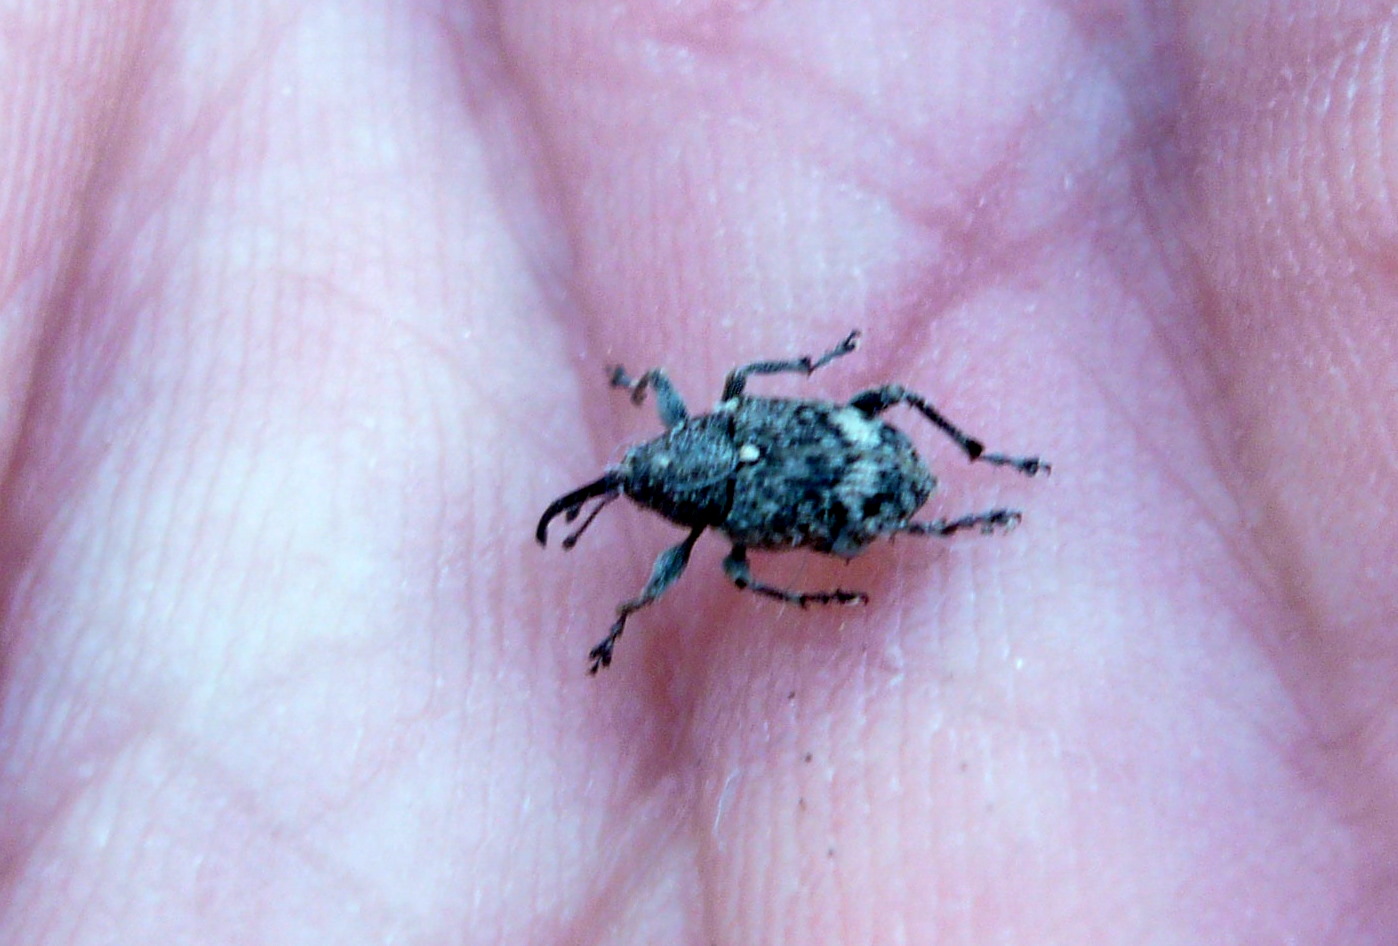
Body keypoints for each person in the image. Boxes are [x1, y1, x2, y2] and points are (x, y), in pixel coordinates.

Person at [0, 1, 1392, 941]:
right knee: (836, 497)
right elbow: (743, 541)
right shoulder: (709, 492)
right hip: (829, 478)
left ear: (682, 456)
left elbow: (754, 487)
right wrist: (727, 590)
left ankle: (967, 491)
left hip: (846, 471)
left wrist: (796, 522)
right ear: (679, 482)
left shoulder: (716, 467)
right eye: (638, 476)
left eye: (640, 465)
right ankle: (949, 511)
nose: (637, 472)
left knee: (866, 446)